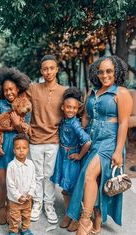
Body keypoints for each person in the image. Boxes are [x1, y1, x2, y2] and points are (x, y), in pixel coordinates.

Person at [66, 55, 133, 235]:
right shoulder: (93, 92)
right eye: (101, 71)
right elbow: (86, 116)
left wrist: (118, 151)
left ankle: (84, 221)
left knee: (88, 175)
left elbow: (123, 123)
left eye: (109, 71)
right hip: (92, 140)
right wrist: (81, 138)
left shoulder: (121, 93)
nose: (105, 75)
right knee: (95, 180)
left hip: (109, 142)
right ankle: (96, 218)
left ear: (116, 72)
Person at [0, 67, 30, 225]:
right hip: (2, 147)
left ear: (18, 88)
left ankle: (13, 207)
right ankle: (1, 206)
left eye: (11, 89)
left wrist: (18, 125)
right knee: (3, 182)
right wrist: (8, 128)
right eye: (5, 90)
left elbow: (26, 132)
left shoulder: (25, 105)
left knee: (16, 182)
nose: (9, 92)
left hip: (17, 149)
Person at [26, 55, 66, 224]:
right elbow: (20, 103)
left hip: (53, 140)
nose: (48, 71)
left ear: (57, 69)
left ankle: (49, 205)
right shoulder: (33, 88)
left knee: (49, 175)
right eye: (45, 69)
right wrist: (22, 124)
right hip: (35, 138)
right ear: (41, 71)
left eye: (51, 68)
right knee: (36, 174)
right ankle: (37, 203)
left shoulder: (64, 91)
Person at [50, 87, 91, 232]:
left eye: (74, 108)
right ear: (63, 107)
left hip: (71, 158)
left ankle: (76, 217)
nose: (71, 110)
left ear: (78, 109)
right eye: (68, 107)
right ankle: (68, 214)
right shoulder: (64, 120)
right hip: (62, 156)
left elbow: (87, 142)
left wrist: (79, 155)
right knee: (65, 189)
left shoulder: (74, 123)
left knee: (73, 189)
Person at [7, 133, 36, 235]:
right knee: (14, 216)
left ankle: (25, 229)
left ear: (28, 149)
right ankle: (13, 230)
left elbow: (33, 180)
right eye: (18, 148)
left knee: (26, 215)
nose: (21, 150)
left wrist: (31, 193)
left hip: (27, 198)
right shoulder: (11, 166)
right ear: (14, 150)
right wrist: (18, 196)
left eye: (24, 148)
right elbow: (10, 184)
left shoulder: (31, 164)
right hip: (15, 199)